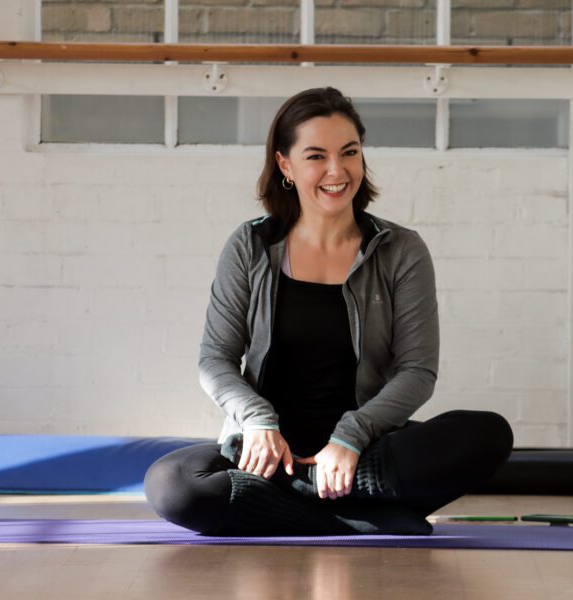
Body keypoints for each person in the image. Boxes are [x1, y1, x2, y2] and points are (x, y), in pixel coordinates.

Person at [144, 87, 513, 536]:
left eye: (349, 152)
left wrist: (350, 437)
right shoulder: (249, 246)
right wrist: (258, 420)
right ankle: (350, 515)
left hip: (363, 453)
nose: (337, 171)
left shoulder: (401, 250)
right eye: (316, 155)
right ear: (285, 164)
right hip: (268, 454)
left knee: (487, 435)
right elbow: (215, 359)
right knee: (172, 484)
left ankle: (303, 501)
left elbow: (417, 370)